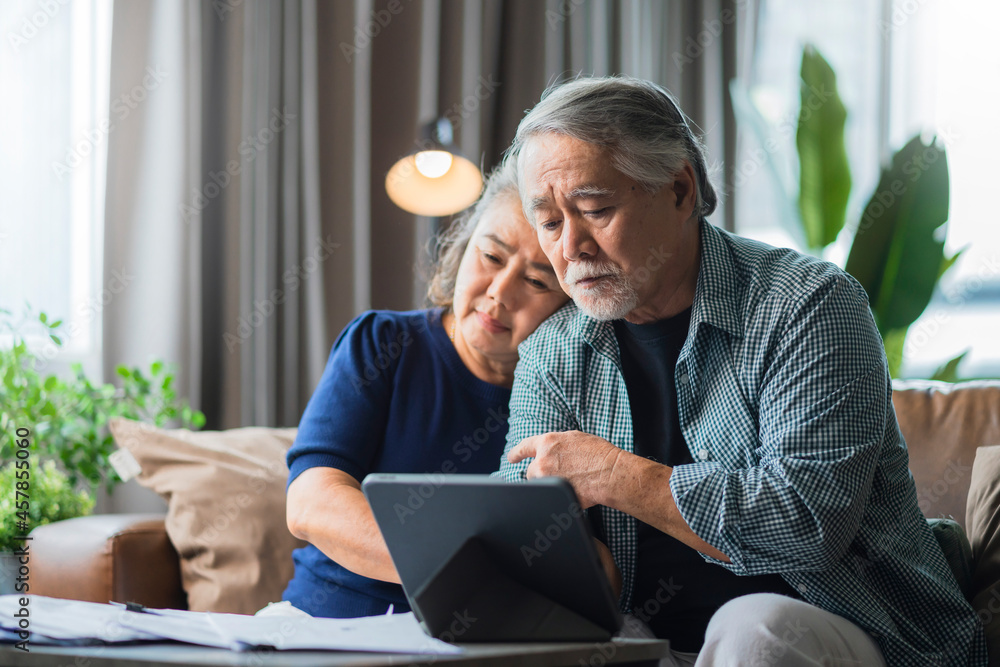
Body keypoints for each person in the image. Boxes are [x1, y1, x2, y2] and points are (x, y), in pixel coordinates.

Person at [495, 76, 986, 666]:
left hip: (854, 634)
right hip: (646, 646)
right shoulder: (552, 352)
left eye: (595, 209)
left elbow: (808, 523)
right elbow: (524, 524)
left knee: (755, 627)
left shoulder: (809, 305)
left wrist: (616, 477)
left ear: (680, 189)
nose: (571, 246)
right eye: (549, 222)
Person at [281, 162, 570, 618]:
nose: (499, 293)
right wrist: (469, 570)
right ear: (463, 248)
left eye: (536, 281)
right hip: (325, 622)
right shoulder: (382, 343)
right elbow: (310, 503)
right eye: (491, 257)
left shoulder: (568, 397)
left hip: (481, 640)